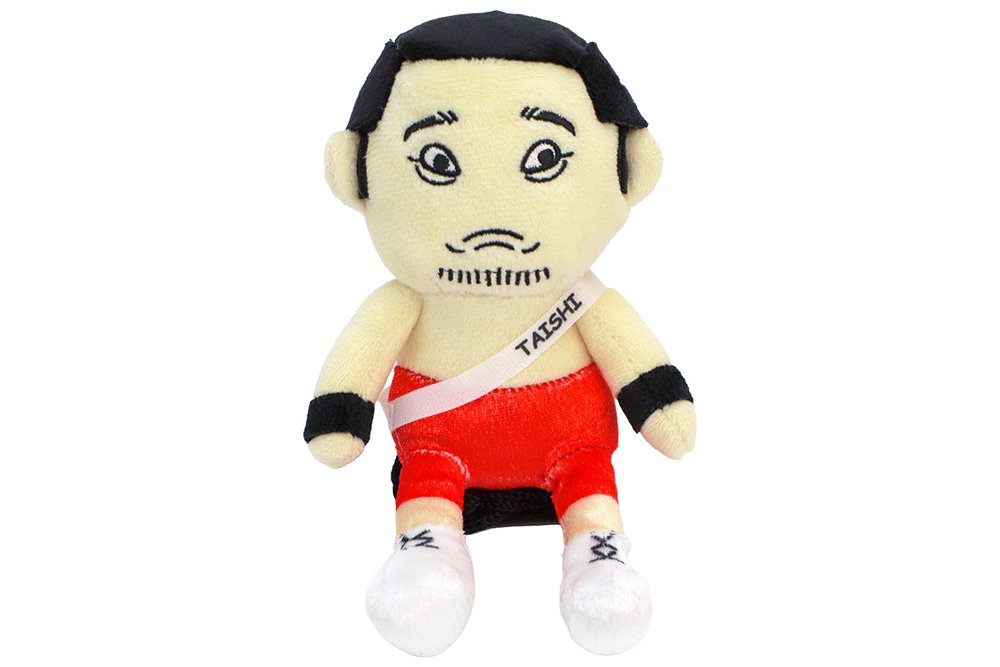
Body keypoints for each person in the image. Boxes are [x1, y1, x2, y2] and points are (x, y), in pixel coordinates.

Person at [304, 11, 696, 656]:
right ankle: (427, 555)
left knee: (587, 477)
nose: (492, 213)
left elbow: (637, 360)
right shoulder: (406, 300)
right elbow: (359, 357)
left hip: (572, 447)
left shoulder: (585, 299)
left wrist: (662, 407)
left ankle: (598, 557)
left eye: (545, 159)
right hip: (437, 446)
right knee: (429, 476)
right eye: (437, 161)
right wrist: (340, 414)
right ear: (355, 174)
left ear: (632, 171)